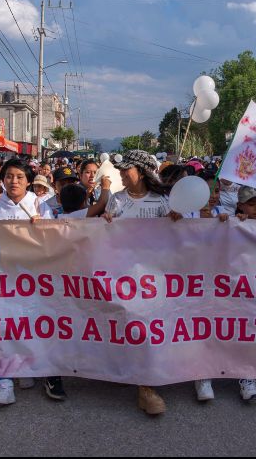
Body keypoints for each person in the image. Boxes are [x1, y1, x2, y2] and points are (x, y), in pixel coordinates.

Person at [0, 159, 58, 404]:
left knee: (28, 325)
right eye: (9, 176)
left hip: (31, 277)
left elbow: (54, 240)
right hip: (3, 275)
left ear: (29, 181)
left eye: (20, 177)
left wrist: (43, 228)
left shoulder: (40, 205)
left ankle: (26, 368)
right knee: (2, 324)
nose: (14, 181)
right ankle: (4, 383)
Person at [102, 150, 171, 415]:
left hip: (156, 277)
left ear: (140, 172)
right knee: (128, 326)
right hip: (123, 275)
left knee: (148, 328)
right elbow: (105, 238)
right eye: (120, 170)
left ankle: (146, 387)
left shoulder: (163, 201)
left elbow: (182, 237)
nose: (121, 174)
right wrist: (105, 224)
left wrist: (176, 220)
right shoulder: (117, 201)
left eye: (126, 170)